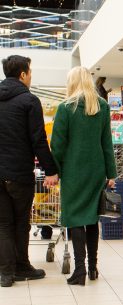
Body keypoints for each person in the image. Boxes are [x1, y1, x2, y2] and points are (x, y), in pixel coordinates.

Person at [51, 66, 117, 286]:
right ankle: (93, 268)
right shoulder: (103, 107)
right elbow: (107, 143)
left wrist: (55, 171)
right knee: (91, 219)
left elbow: (58, 145)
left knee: (75, 219)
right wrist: (111, 173)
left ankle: (79, 271)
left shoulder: (65, 108)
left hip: (73, 172)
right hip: (96, 171)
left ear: (71, 82)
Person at [0, 55, 59, 288]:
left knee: (3, 224)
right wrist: (51, 170)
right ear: (23, 74)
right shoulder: (29, 100)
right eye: (30, 72)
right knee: (21, 221)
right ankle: (22, 266)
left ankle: (5, 274)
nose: (31, 76)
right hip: (19, 174)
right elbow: (38, 140)